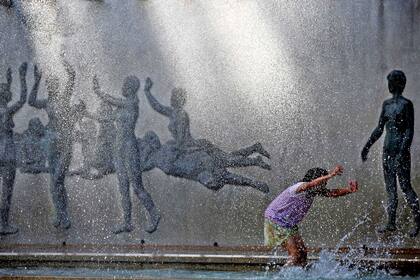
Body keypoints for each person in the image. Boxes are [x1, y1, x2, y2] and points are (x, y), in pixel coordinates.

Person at [93, 75, 160, 234]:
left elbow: (111, 100)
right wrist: (86, 114)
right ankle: (127, 222)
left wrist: (98, 91)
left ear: (130, 88)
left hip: (130, 147)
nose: (122, 87)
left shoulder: (132, 102)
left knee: (136, 187)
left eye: (124, 85)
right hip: (119, 149)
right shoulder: (121, 107)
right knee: (123, 187)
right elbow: (105, 118)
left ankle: (154, 214)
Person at [361, 70, 420, 237]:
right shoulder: (386, 105)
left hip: (400, 151)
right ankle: (391, 223)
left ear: (398, 84)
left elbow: (409, 130)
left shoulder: (407, 104)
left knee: (406, 186)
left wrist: (403, 150)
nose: (389, 85)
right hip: (387, 150)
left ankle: (418, 220)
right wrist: (367, 146)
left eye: (391, 81)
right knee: (391, 189)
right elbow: (380, 128)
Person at [28, 59, 86, 229]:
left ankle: (64, 215)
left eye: (54, 84)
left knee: (57, 181)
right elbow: (31, 101)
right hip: (51, 144)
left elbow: (72, 75)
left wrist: (62, 58)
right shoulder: (47, 103)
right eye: (49, 84)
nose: (52, 86)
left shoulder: (64, 98)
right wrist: (36, 81)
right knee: (55, 183)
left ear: (58, 86)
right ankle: (60, 215)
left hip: (65, 145)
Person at [264, 165, 358, 267]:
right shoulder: (299, 187)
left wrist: (349, 190)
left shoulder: (314, 191)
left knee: (303, 253)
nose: (324, 185)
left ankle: (302, 275)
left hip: (288, 224)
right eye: (323, 182)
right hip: (276, 220)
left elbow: (333, 193)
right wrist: (331, 175)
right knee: (295, 255)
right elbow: (310, 184)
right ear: (315, 180)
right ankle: (282, 276)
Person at [0, 63, 28, 235]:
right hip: (7, 153)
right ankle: (3, 224)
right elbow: (22, 99)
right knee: (6, 193)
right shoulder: (7, 112)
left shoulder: (3, 110)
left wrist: (9, 82)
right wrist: (23, 79)